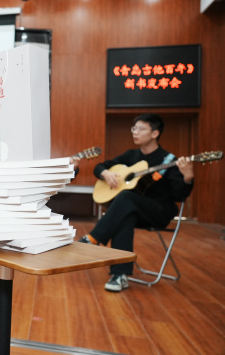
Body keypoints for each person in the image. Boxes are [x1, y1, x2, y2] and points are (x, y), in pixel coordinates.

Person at [79, 113, 194, 292]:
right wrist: (105, 173)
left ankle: (92, 239)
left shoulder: (169, 161)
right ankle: (120, 275)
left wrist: (187, 177)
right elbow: (99, 166)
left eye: (141, 129)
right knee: (126, 214)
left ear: (155, 133)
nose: (135, 132)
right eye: (134, 128)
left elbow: (179, 195)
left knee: (125, 198)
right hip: (133, 209)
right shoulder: (131, 155)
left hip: (159, 211)